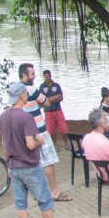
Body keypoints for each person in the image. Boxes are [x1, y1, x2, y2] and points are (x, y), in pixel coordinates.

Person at [0, 81, 57, 218]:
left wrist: (8, 165)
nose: (27, 95)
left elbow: (4, 144)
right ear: (21, 96)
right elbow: (30, 144)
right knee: (45, 201)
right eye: (25, 93)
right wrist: (40, 140)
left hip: (13, 165)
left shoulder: (3, 116)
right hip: (29, 165)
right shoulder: (26, 117)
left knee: (20, 203)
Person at [19, 63, 70, 202]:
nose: (34, 76)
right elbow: (46, 103)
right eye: (32, 74)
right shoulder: (32, 89)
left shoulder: (17, 90)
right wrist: (38, 103)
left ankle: (36, 192)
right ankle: (54, 191)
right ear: (24, 75)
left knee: (30, 162)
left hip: (24, 132)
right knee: (48, 161)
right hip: (39, 130)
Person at [39, 70, 67, 152]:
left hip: (58, 109)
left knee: (63, 127)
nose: (46, 79)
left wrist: (50, 99)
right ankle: (55, 144)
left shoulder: (56, 85)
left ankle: (66, 142)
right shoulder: (42, 87)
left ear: (50, 76)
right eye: (45, 77)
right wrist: (54, 98)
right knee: (51, 129)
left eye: (47, 77)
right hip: (48, 111)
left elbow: (61, 97)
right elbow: (43, 100)